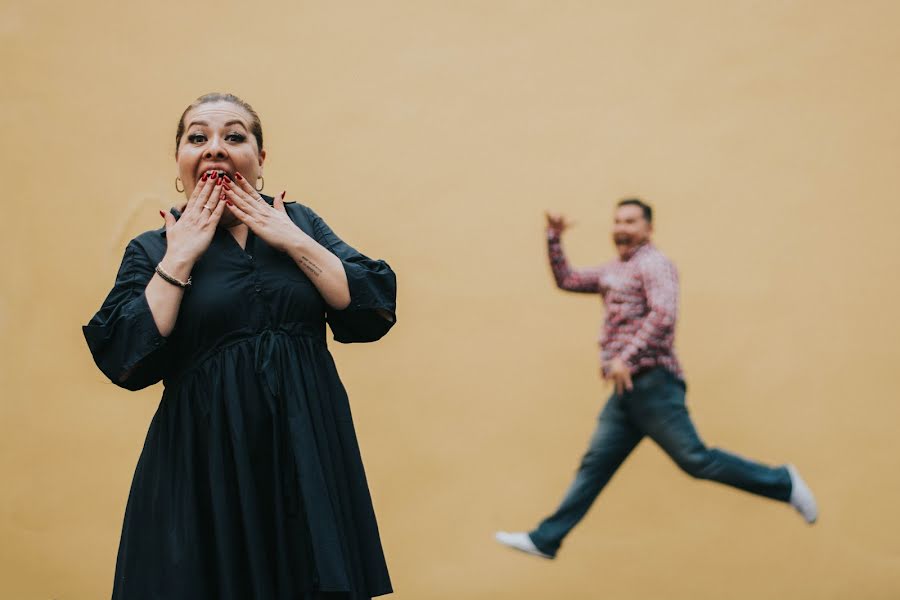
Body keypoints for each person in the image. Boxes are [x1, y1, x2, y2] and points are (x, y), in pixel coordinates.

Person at [83, 93, 396, 599]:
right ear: (180, 162)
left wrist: (290, 238)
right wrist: (181, 255)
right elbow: (125, 354)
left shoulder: (300, 223)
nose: (216, 149)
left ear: (260, 159)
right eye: (198, 138)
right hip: (204, 464)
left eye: (234, 136)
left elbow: (369, 305)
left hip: (305, 452)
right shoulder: (153, 248)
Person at [495, 199, 817, 560]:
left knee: (697, 460)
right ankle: (546, 539)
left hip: (653, 384)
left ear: (648, 229)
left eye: (631, 221)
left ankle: (783, 482)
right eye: (617, 221)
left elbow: (664, 316)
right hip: (626, 394)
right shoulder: (614, 270)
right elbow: (567, 280)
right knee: (594, 466)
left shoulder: (655, 265)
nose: (621, 227)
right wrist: (554, 237)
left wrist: (625, 358)